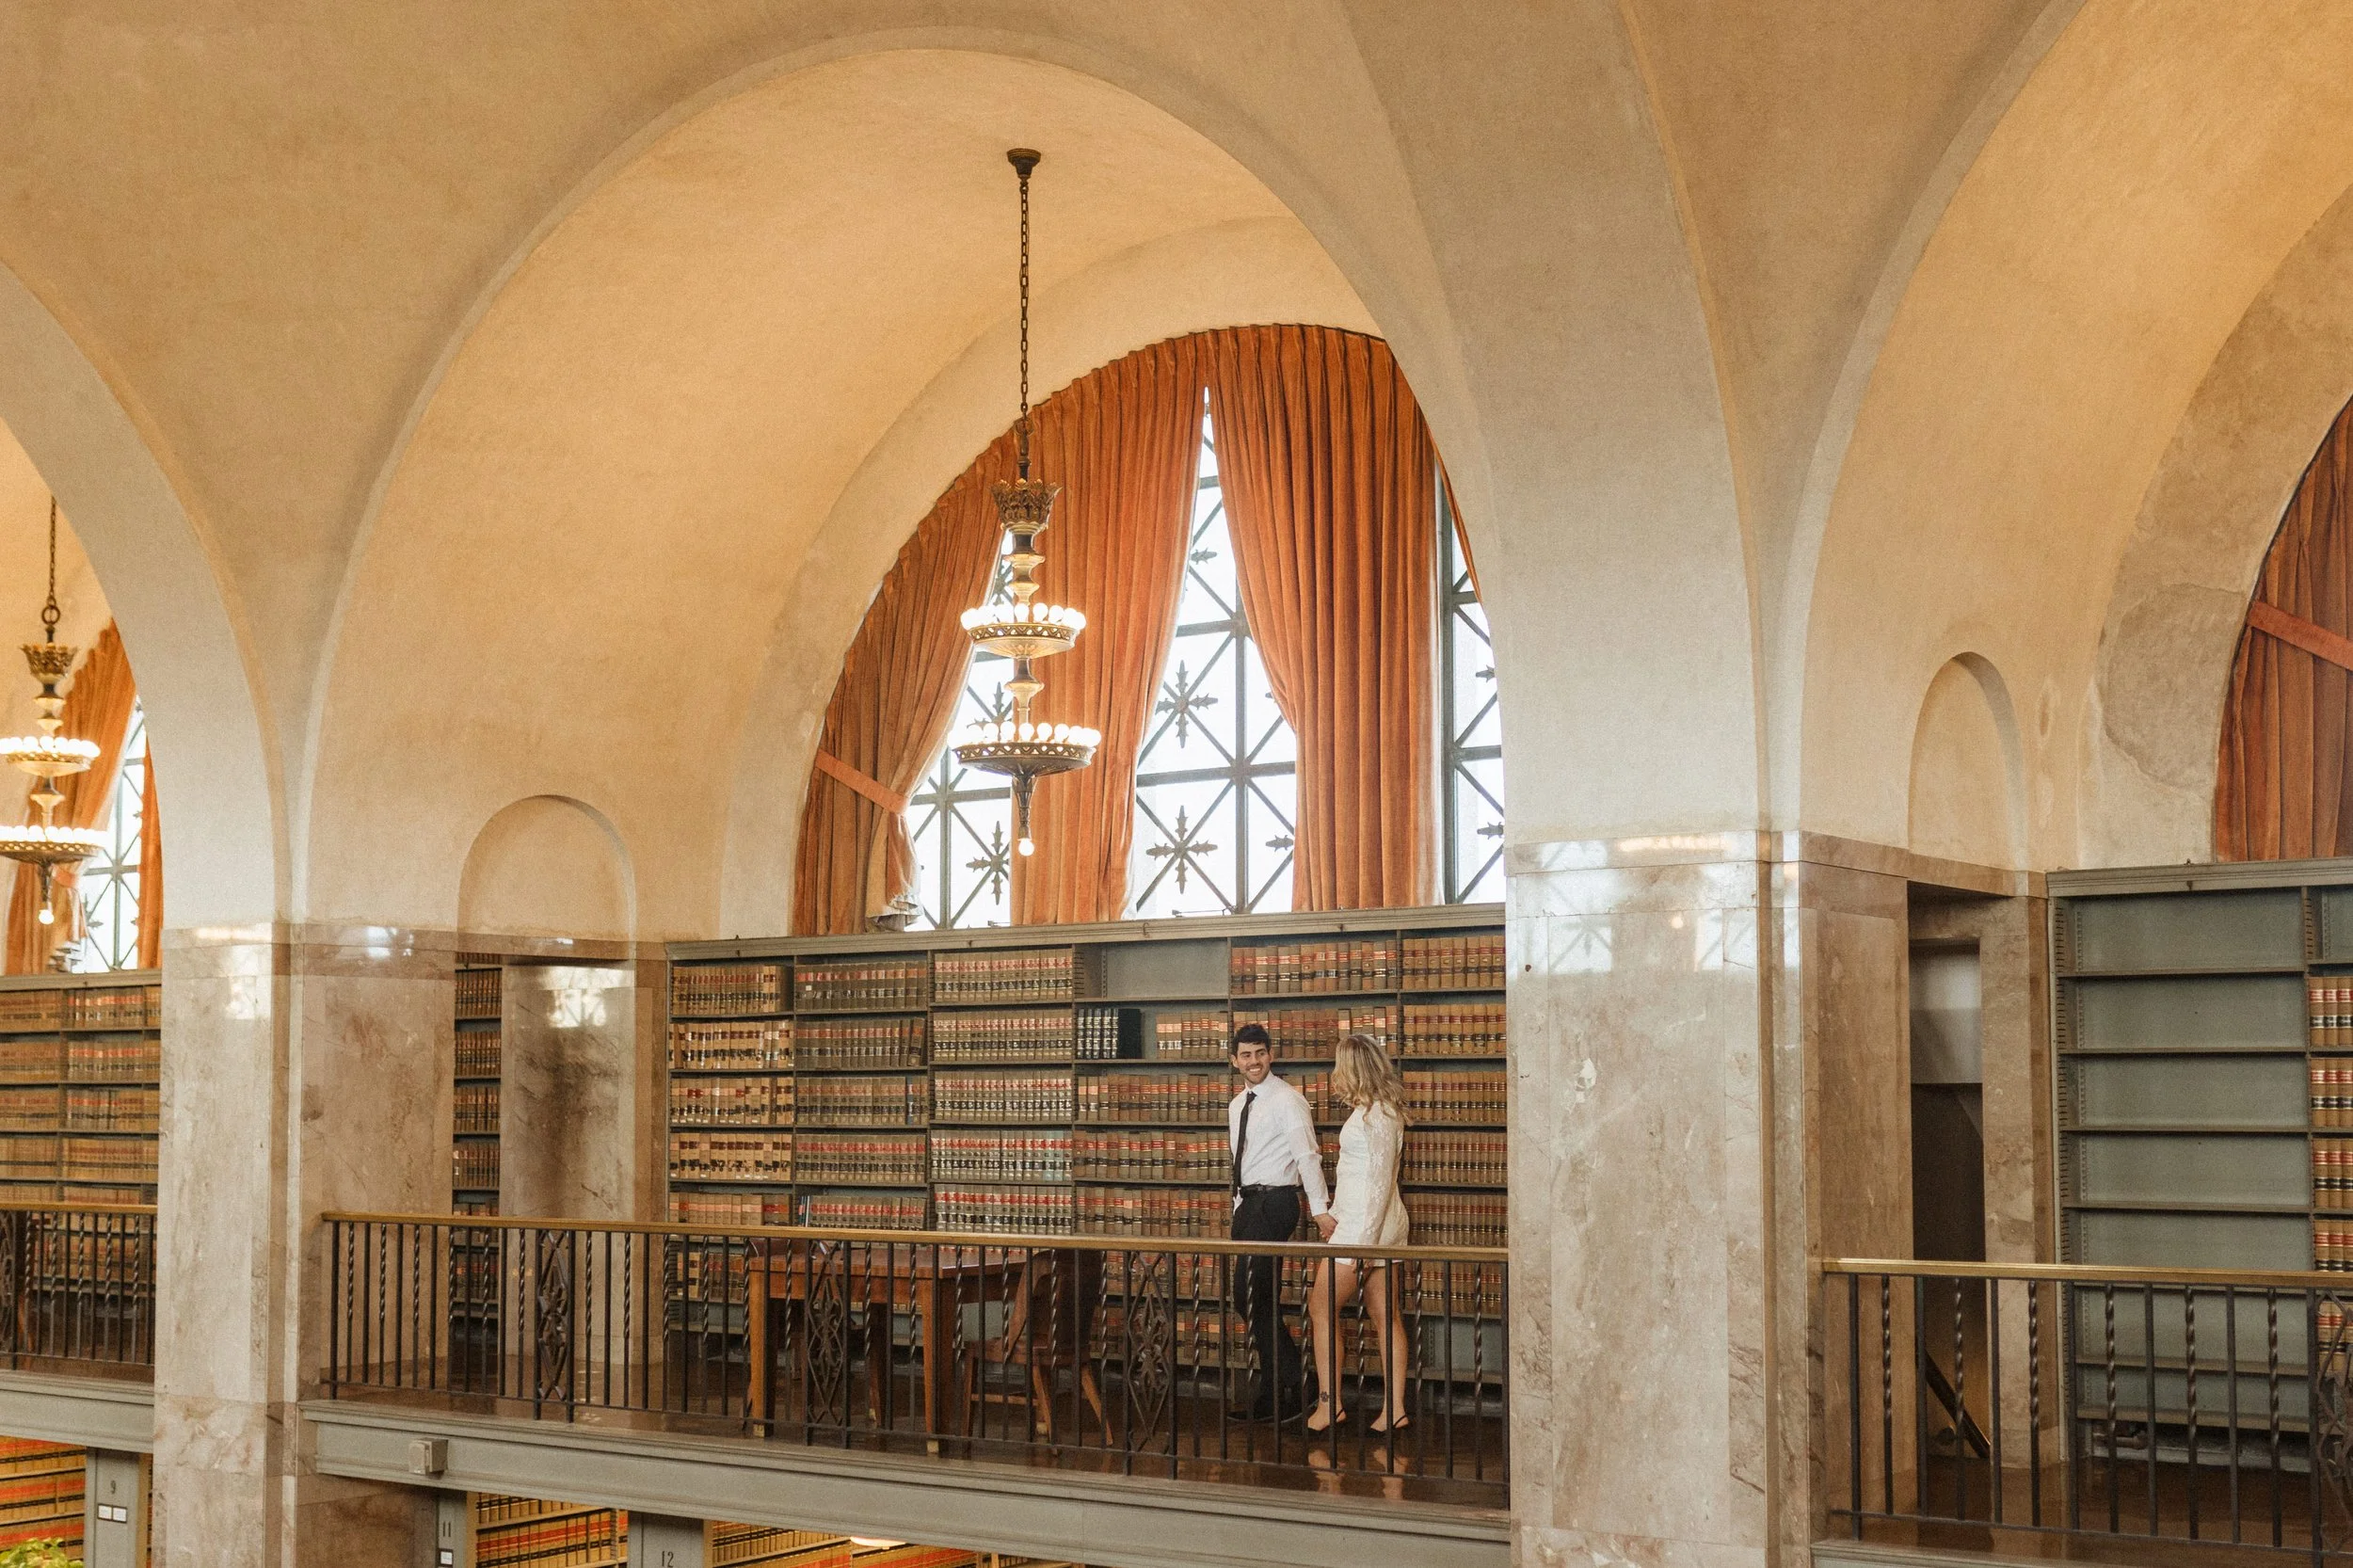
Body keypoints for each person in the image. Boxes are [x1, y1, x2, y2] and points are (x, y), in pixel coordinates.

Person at [1305, 1032, 1412, 1434]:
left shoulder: (1379, 1114)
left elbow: (1380, 1182)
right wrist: (1334, 1214)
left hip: (1367, 1229)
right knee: (1385, 1315)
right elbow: (1358, 1177)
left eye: (1339, 1066)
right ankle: (1393, 1408)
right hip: (1371, 1225)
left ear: (1354, 1067)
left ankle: (1331, 1404)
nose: (1335, 1074)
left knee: (1321, 1308)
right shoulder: (1373, 1110)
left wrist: (1361, 1243)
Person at [1226, 1021, 1334, 1420]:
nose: (1254, 1062)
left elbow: (1307, 1155)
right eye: (1246, 1055)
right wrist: (1238, 1205)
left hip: (1277, 1201)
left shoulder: (1289, 1099)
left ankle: (1297, 1381)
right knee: (1259, 1298)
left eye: (1260, 1053)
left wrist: (1320, 1210)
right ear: (1234, 1061)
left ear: (1270, 1055)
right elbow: (1241, 1160)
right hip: (1249, 1205)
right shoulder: (1238, 1105)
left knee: (1248, 1295)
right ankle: (1275, 1394)